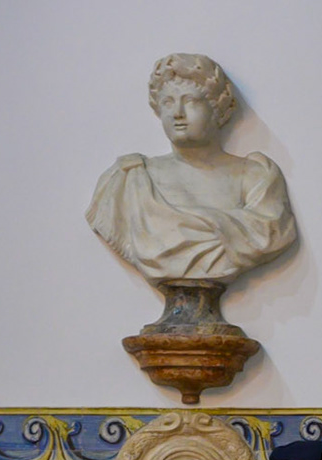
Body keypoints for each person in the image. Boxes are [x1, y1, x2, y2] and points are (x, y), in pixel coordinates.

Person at [87, 53, 298, 286]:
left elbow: (271, 233)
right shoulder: (129, 178)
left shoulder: (255, 176)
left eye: (190, 101)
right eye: (167, 102)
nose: (177, 112)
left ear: (218, 109)